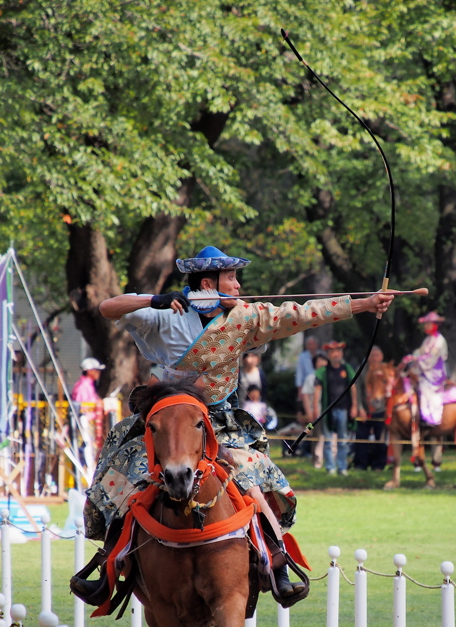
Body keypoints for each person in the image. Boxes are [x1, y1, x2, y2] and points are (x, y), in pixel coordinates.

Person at [74, 245, 396, 603]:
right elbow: (107, 308)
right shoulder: (167, 313)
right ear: (209, 283)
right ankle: (107, 565)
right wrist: (156, 299)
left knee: (251, 477)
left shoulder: (243, 317)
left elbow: (302, 313)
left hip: (220, 422)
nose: (239, 285)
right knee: (127, 475)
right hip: (167, 422)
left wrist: (365, 304)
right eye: (232, 278)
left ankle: (278, 565)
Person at [313, 341, 357, 476]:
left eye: (337, 351)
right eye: (332, 351)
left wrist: (355, 406)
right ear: (328, 354)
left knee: (343, 440)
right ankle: (330, 467)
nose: (335, 354)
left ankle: (342, 467)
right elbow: (317, 389)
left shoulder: (347, 368)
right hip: (328, 411)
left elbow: (353, 387)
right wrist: (315, 408)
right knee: (327, 440)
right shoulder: (323, 371)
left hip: (344, 408)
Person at [354, 346, 388, 471]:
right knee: (361, 438)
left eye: (377, 355)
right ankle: (360, 464)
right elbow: (357, 390)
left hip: (381, 410)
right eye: (371, 355)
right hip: (365, 410)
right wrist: (360, 408)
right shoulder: (362, 370)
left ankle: (379, 465)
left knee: (381, 439)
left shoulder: (386, 370)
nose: (374, 358)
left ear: (382, 357)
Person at [300, 352, 328, 469]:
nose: (322, 363)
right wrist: (309, 412)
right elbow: (305, 396)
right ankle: (317, 462)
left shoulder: (329, 376)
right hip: (316, 413)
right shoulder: (311, 378)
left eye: (324, 360)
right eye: (319, 361)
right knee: (317, 437)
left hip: (328, 412)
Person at [295, 335, 319, 401]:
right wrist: (299, 390)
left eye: (313, 344)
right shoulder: (302, 357)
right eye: (309, 344)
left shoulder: (320, 355)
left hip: (318, 385)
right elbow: (299, 374)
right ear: (306, 346)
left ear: (316, 345)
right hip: (306, 385)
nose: (311, 346)